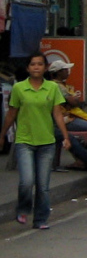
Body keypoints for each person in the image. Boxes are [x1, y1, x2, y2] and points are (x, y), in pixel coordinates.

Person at [0, 52, 71, 229]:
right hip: (25, 141)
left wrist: (66, 136)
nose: (36, 67)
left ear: (46, 67)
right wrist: (2, 134)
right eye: (33, 64)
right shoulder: (19, 88)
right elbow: (11, 114)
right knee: (26, 180)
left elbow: (57, 114)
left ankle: (40, 219)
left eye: (40, 64)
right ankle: (23, 209)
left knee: (43, 185)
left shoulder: (52, 88)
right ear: (28, 68)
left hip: (47, 142)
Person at [47, 59, 87, 171]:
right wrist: (74, 101)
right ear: (58, 72)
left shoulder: (62, 85)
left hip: (69, 117)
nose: (68, 71)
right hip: (65, 120)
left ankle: (84, 159)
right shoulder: (56, 86)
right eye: (65, 69)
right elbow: (73, 102)